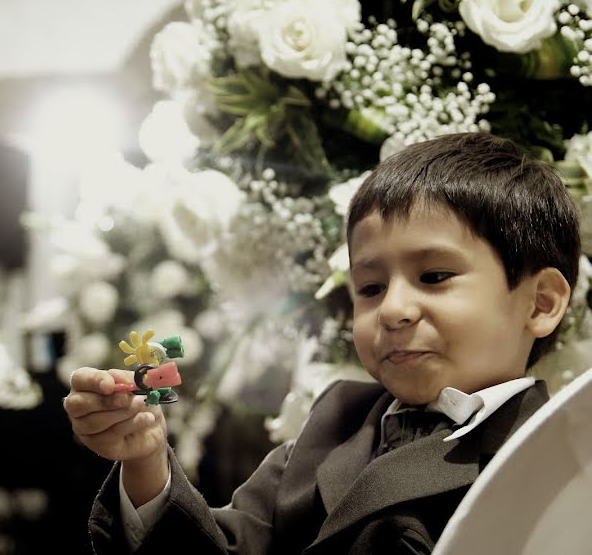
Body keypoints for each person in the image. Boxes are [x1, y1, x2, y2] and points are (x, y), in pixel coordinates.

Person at [63, 131, 581, 554]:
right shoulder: (330, 429)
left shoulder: (556, 463)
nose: (395, 310)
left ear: (540, 303)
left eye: (435, 276)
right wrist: (147, 461)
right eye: (370, 288)